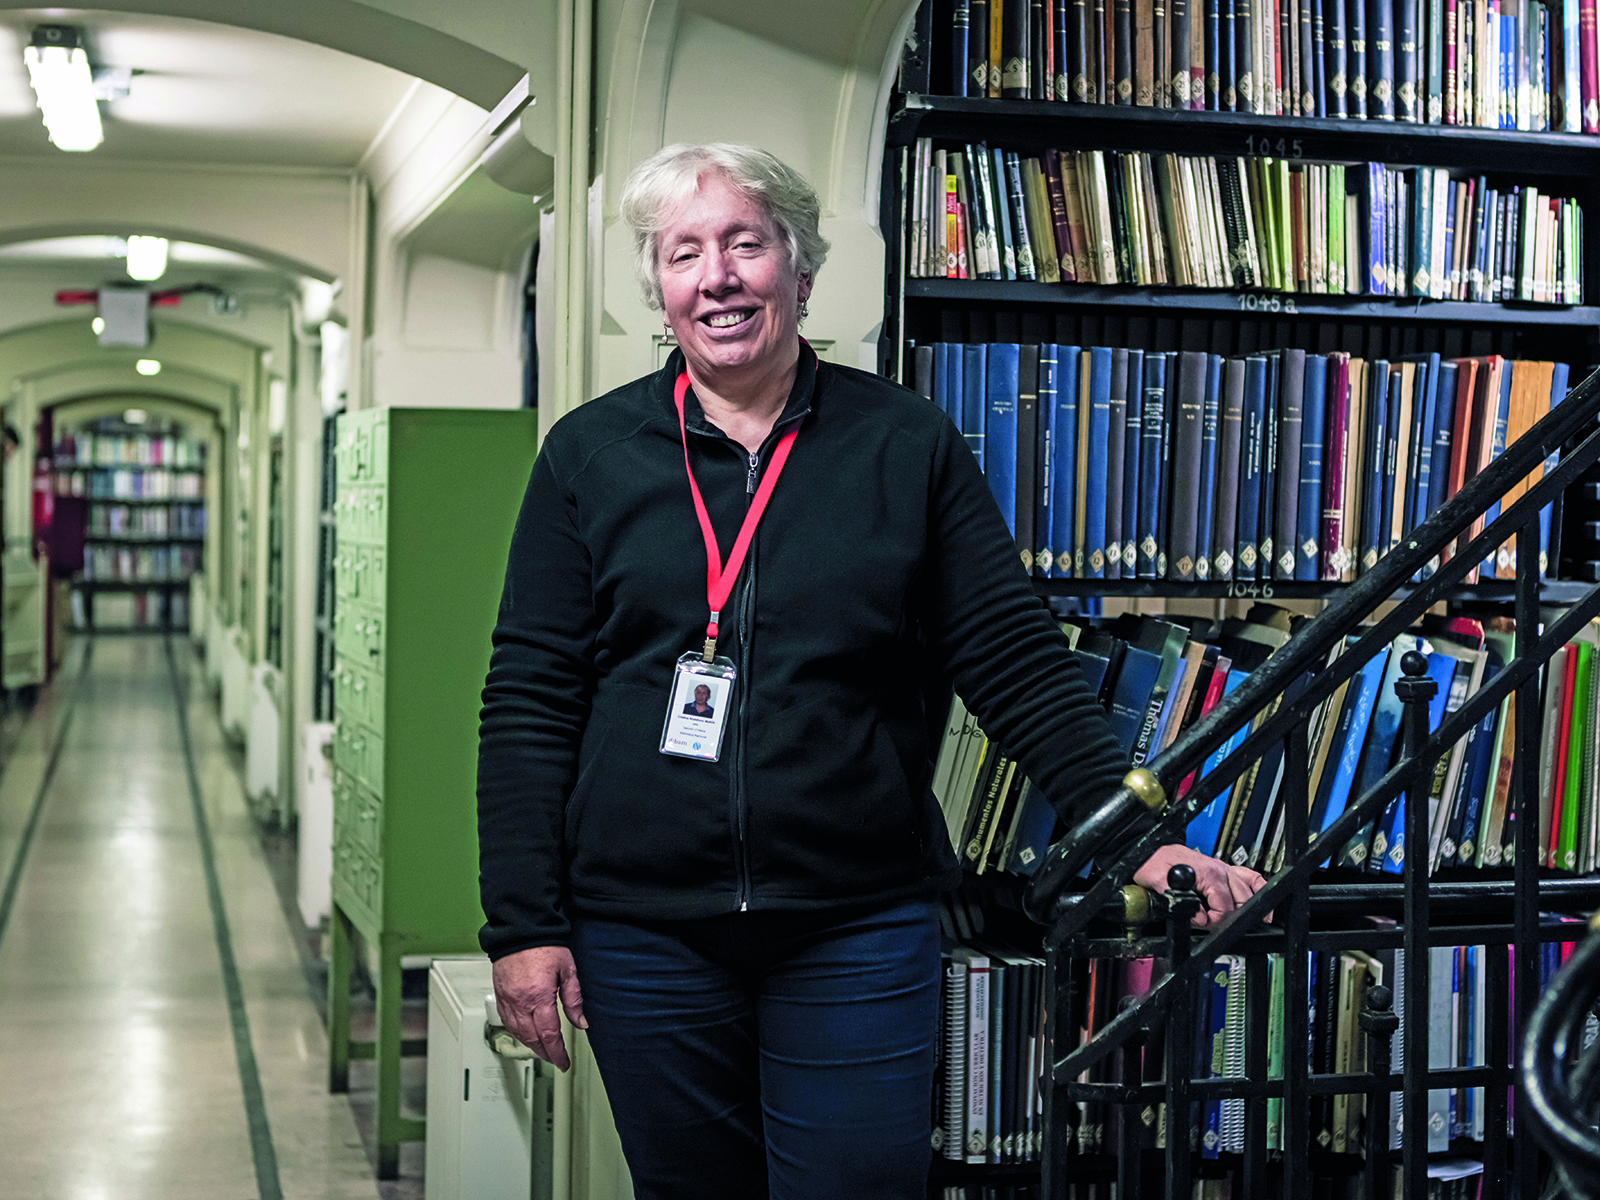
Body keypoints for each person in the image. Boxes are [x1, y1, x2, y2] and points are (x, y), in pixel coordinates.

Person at [477, 142, 1267, 1200]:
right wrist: (523, 926)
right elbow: (531, 696)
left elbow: (1012, 660)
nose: (716, 277)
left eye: (744, 246)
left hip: (854, 923)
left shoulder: (906, 445)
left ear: (800, 273)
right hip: (644, 932)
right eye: (683, 255)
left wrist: (1140, 842)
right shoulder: (589, 455)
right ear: (657, 292)